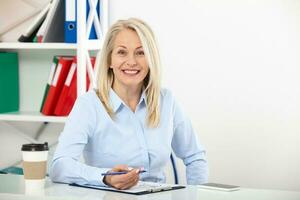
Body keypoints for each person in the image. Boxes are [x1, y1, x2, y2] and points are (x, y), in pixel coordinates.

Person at [49, 18, 208, 190]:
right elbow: (60, 166)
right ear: (109, 60)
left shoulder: (166, 100)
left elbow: (195, 157)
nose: (132, 61)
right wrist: (105, 177)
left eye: (140, 53)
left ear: (150, 59)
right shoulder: (89, 105)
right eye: (122, 52)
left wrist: (197, 195)